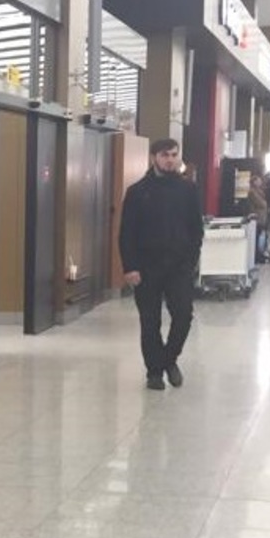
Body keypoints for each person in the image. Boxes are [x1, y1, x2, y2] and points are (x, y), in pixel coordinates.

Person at [119, 137, 202, 390]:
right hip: (146, 267)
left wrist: (191, 259)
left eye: (174, 155)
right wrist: (130, 267)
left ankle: (168, 359)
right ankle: (154, 372)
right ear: (154, 157)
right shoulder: (137, 192)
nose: (170, 160)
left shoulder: (188, 190)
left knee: (183, 316)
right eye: (165, 155)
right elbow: (126, 233)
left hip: (179, 266)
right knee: (149, 320)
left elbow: (196, 229)